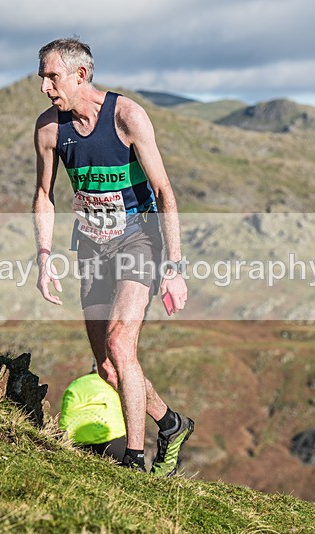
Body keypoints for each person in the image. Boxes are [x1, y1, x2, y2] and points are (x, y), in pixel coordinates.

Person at [33, 37, 194, 474]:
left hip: (138, 239)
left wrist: (174, 266)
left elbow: (164, 190)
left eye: (53, 77)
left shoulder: (127, 117)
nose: (45, 87)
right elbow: (44, 195)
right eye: (42, 78)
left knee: (121, 344)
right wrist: (44, 256)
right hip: (91, 247)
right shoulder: (49, 129)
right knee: (107, 367)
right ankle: (172, 424)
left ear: (81, 75)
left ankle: (134, 461)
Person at [59, 362, 127, 462]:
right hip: (111, 439)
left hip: (73, 440)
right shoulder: (114, 384)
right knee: (129, 467)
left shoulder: (74, 384)